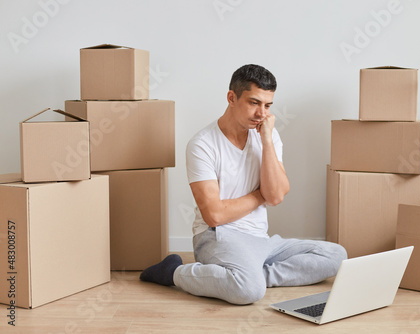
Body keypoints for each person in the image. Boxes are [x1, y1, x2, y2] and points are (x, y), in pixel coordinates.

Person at [140, 64, 347, 305]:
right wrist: (261, 196)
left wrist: (267, 141)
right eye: (254, 102)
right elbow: (214, 215)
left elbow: (277, 196)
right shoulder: (202, 144)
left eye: (267, 105)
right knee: (248, 292)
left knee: (335, 255)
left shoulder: (268, 136)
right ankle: (173, 273)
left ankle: (250, 275)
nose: (262, 113)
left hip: (260, 239)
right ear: (232, 98)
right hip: (217, 237)